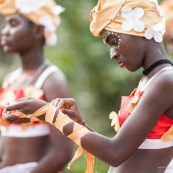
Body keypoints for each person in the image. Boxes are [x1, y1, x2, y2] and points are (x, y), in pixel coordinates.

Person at [2, 0, 173, 173]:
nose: (112, 54)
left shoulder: (166, 80)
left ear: (140, 28)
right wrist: (79, 124)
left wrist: (49, 114)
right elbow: (124, 150)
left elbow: (114, 153)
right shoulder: (151, 80)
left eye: (114, 41)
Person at [0, 0, 73, 173]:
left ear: (38, 30)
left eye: (14, 24)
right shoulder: (11, 78)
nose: (5, 31)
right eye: (6, 24)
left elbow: (62, 153)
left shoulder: (52, 80)